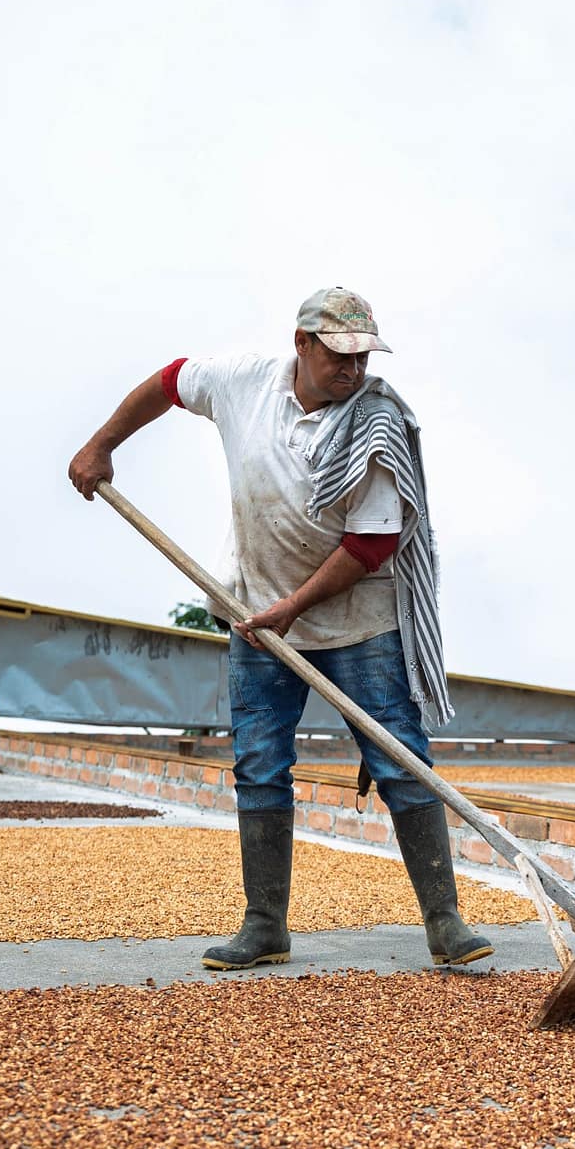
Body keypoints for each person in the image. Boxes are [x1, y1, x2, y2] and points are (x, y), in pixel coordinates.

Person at [67, 286, 492, 972]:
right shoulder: (242, 382)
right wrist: (100, 444)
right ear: (302, 344)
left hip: (359, 621)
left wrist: (295, 607)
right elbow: (170, 381)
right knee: (260, 764)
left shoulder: (376, 424)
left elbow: (373, 544)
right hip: (256, 614)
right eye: (339, 357)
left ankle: (445, 922)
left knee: (402, 762)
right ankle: (264, 926)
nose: (353, 371)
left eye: (362, 358)